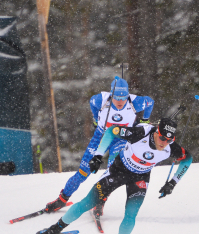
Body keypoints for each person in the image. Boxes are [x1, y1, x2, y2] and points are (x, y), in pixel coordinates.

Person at [34, 118, 193, 234]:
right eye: (162, 138)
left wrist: (173, 182)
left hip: (140, 178)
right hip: (118, 170)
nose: (164, 143)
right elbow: (111, 131)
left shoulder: (171, 147)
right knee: (86, 203)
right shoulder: (139, 133)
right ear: (156, 132)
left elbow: (188, 158)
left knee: (131, 214)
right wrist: (97, 155)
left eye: (169, 140)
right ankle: (55, 229)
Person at [44, 77, 154, 215]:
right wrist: (96, 119)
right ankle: (62, 199)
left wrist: (145, 120)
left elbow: (150, 102)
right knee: (83, 172)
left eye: (123, 98)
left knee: (112, 171)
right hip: (101, 136)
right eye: (116, 98)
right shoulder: (100, 99)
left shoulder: (136, 102)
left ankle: (100, 201)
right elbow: (92, 103)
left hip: (120, 139)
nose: (120, 101)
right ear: (111, 95)